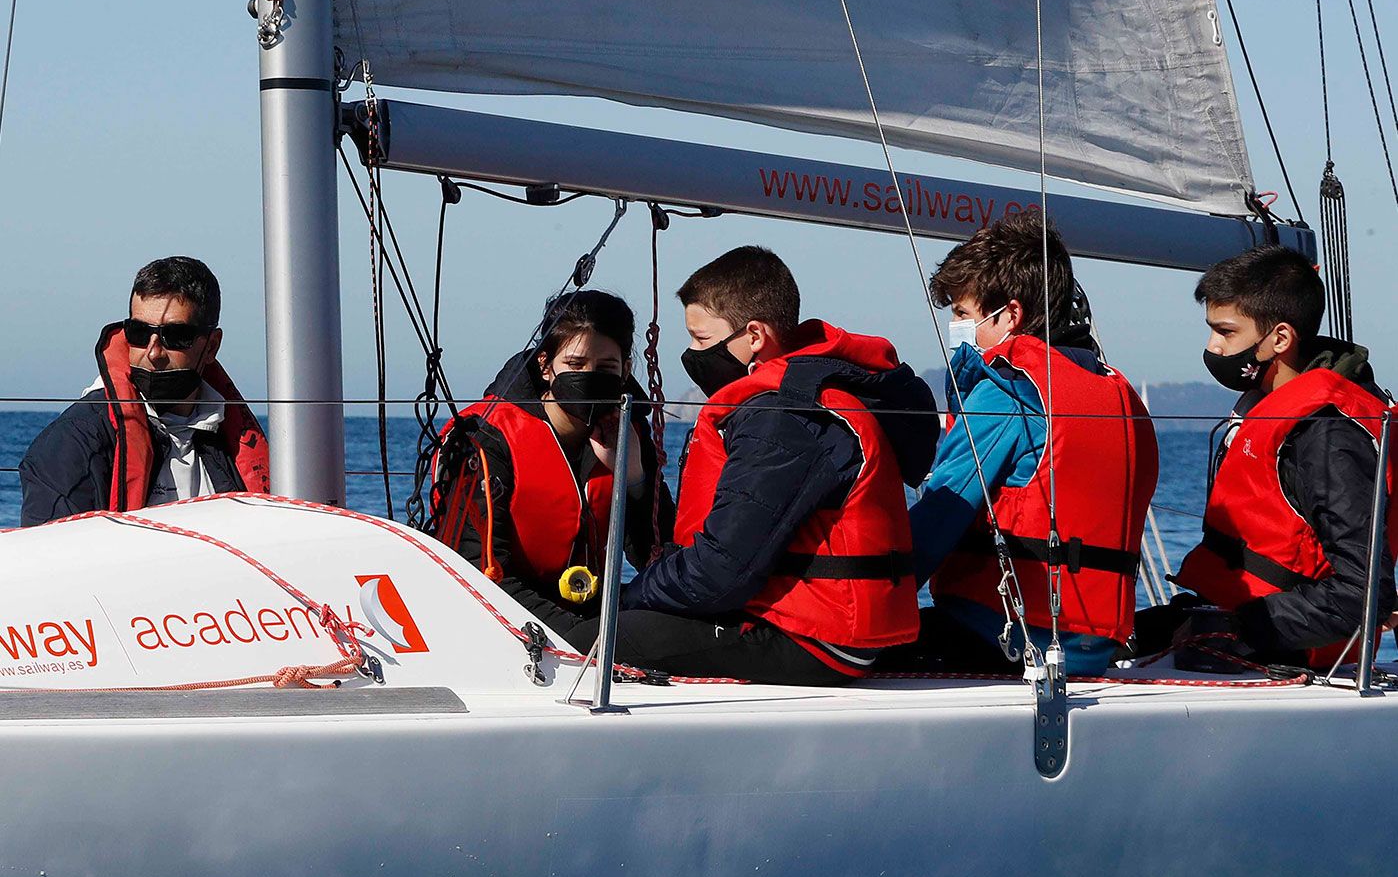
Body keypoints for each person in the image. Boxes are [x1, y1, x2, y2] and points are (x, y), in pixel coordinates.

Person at [564, 245, 939, 685]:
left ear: (755, 336)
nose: (691, 355)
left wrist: (628, 594)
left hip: (816, 640)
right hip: (824, 626)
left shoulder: (786, 419)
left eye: (702, 341)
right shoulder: (803, 402)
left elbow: (720, 571)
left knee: (587, 640)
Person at [894, 210, 1158, 676]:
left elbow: (940, 516)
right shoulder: (1118, 394)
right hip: (1096, 644)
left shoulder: (1005, 390)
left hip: (1001, 633)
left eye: (962, 314)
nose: (956, 329)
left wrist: (870, 596)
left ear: (1011, 315)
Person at [1146, 245, 1397, 670]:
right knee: (1097, 637)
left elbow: (1364, 591)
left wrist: (1243, 629)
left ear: (1280, 338)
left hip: (1282, 645)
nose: (1213, 347)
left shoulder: (1327, 434)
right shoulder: (1266, 408)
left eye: (1226, 332)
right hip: (1228, 620)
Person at [429, 290, 673, 638]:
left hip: (593, 609)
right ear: (545, 366)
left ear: (625, 370)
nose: (589, 376)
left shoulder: (628, 430)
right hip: (504, 619)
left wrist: (633, 477)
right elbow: (475, 570)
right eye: (575, 365)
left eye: (606, 368)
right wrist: (582, 635)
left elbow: (657, 555)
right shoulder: (487, 438)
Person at [20, 256, 268, 526]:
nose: (153, 352)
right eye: (139, 332)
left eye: (175, 336)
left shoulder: (231, 436)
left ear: (211, 346)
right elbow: (54, 559)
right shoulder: (71, 445)